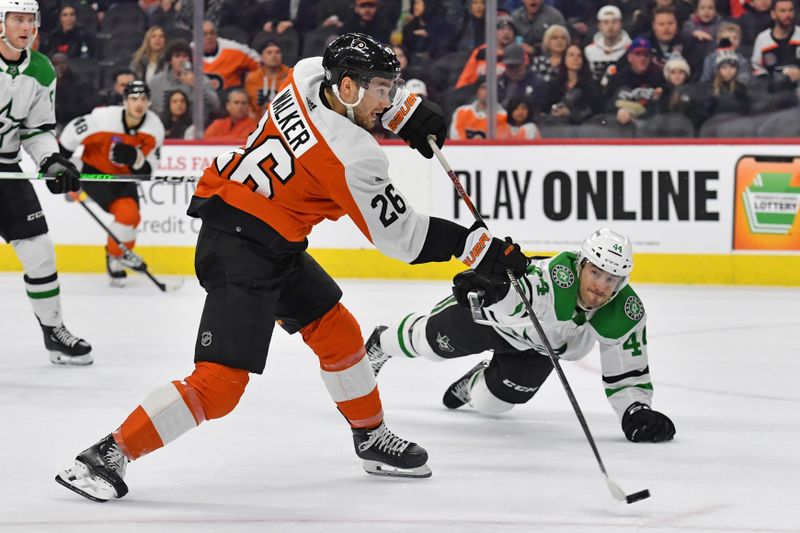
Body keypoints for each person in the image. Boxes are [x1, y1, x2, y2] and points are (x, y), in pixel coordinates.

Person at [54, 32, 528, 503]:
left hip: (264, 235)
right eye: (382, 90)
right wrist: (474, 245)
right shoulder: (354, 157)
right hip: (241, 248)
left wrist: (403, 109)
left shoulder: (304, 75)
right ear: (347, 88)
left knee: (338, 332)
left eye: (389, 89)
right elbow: (402, 239)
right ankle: (108, 454)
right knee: (219, 385)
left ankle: (370, 437)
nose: (387, 99)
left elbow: (345, 98)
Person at [366, 228, 677, 444]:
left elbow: (628, 370)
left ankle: (475, 380)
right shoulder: (557, 276)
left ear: (621, 282)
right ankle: (381, 342)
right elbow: (523, 296)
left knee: (491, 405)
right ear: (581, 265)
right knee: (430, 345)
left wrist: (636, 411)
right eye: (595, 273)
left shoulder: (624, 311)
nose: (600, 285)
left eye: (611, 279)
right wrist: (494, 289)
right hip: (498, 322)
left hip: (540, 351)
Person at [0, 0, 91, 364]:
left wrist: (51, 160)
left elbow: (36, 130)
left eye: (29, 20)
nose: (25, 27)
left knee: (39, 253)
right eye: (17, 19)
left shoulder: (40, 69)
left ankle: (54, 332)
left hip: (8, 171)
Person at [59, 81, 165, 286]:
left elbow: (148, 170)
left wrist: (136, 159)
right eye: (134, 99)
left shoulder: (154, 128)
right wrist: (60, 164)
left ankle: (118, 254)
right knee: (127, 214)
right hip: (95, 172)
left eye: (143, 99)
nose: (139, 104)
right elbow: (71, 133)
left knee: (133, 219)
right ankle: (116, 256)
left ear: (149, 102)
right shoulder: (104, 118)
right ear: (124, 101)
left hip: (124, 177)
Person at [601, 37, 667, 126]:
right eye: (638, 54)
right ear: (629, 57)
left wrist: (658, 100)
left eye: (646, 55)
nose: (643, 58)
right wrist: (617, 111)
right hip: (619, 128)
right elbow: (605, 105)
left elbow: (668, 110)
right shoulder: (618, 78)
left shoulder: (658, 77)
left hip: (650, 128)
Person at [149, 41, 220, 123]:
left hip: (194, 127)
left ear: (189, 60)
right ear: (170, 60)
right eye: (177, 56)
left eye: (184, 56)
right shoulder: (156, 82)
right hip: (163, 126)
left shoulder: (201, 79)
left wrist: (196, 85)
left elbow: (215, 105)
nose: (181, 60)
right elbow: (151, 109)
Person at [751, 0, 800, 92]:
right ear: (773, 14)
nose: (788, 15)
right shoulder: (763, 39)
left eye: (790, 10)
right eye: (783, 11)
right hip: (774, 93)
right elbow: (756, 68)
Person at [199, 20, 260, 90]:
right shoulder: (189, 51)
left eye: (212, 33)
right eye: (204, 34)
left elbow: (261, 64)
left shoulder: (235, 50)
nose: (209, 37)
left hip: (231, 97)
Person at [244, 40, 290, 118]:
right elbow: (248, 105)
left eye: (277, 52)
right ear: (261, 56)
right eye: (269, 52)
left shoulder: (290, 76)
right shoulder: (252, 78)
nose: (274, 56)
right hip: (257, 122)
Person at [585, 5, 632, 81]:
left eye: (614, 22)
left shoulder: (630, 49)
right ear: (599, 26)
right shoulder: (589, 50)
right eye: (606, 22)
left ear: (621, 24)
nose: (610, 26)